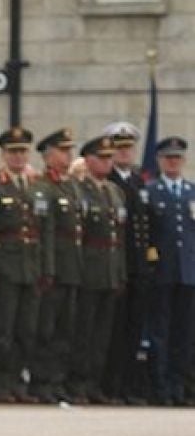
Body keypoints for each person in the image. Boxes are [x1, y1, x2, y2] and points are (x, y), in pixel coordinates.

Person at [0, 127, 51, 404]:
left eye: (23, 151)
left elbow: (44, 231)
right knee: (3, 329)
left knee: (26, 329)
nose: (18, 157)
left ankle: (16, 380)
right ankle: (0, 382)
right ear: (3, 154)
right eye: (13, 152)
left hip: (30, 265)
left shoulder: (36, 188)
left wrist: (45, 268)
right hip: (6, 265)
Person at [68, 136, 126, 404]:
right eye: (101, 158)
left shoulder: (115, 192)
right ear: (88, 160)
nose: (107, 162)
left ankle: (94, 382)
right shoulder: (78, 190)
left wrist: (120, 272)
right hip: (89, 267)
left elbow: (120, 236)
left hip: (111, 267)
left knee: (103, 332)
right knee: (85, 331)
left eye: (109, 158)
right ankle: (78, 382)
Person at [30, 128, 85, 404]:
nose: (68, 155)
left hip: (72, 266)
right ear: (48, 155)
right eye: (63, 151)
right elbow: (45, 232)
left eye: (69, 150)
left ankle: (58, 380)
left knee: (66, 328)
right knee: (47, 328)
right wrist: (47, 268)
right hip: (54, 267)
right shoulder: (42, 187)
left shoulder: (72, 186)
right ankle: (41, 381)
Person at [100, 122, 153, 405]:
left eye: (128, 147)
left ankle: (130, 385)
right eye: (118, 148)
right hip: (118, 266)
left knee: (134, 330)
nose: (124, 153)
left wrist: (151, 261)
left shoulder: (137, 181)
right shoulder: (109, 183)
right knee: (115, 331)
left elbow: (147, 228)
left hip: (139, 267)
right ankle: (113, 385)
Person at [146, 136, 195, 406]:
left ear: (184, 161)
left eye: (177, 157)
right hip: (162, 271)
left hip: (188, 273)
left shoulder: (192, 192)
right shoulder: (151, 192)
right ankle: (161, 387)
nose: (173, 162)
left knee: (185, 333)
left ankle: (180, 385)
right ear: (160, 161)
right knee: (160, 331)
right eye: (168, 158)